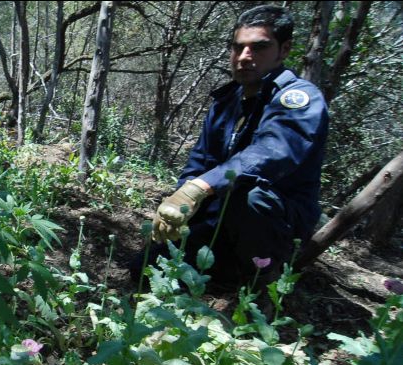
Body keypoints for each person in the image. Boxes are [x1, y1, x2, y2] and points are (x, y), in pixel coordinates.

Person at [133, 5, 329, 287]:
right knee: (146, 268)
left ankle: (262, 280)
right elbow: (200, 162)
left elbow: (273, 153)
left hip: (274, 224)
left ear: (283, 50)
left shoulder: (299, 99)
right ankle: (228, 270)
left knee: (250, 195)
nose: (245, 57)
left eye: (258, 47)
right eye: (238, 48)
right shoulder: (227, 102)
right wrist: (180, 202)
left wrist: (198, 188)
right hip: (220, 223)